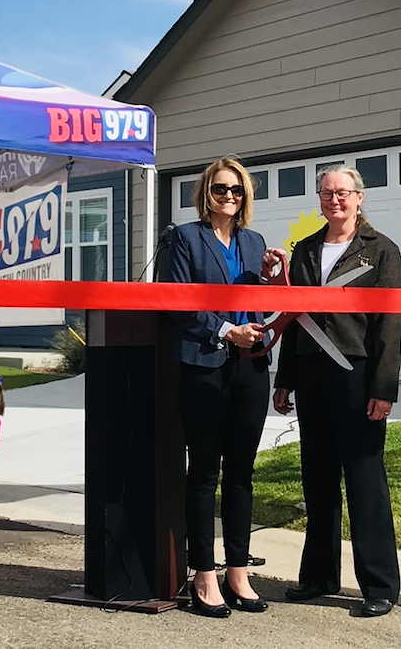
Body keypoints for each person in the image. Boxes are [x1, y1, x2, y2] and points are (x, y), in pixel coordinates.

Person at [273, 164, 401, 618]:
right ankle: (318, 576)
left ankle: (380, 584)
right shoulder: (305, 250)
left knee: (365, 480)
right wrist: (284, 378)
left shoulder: (381, 251)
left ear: (360, 198)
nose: (335, 200)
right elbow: (294, 318)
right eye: (327, 193)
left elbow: (391, 325)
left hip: (358, 375)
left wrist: (385, 388)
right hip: (311, 374)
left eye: (343, 193)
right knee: (318, 477)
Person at [167, 156, 280, 618]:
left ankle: (237, 570)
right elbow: (177, 302)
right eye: (220, 189)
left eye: (237, 190)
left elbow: (261, 302)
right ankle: (203, 574)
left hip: (250, 368)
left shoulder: (254, 242)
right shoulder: (185, 237)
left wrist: (272, 277)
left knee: (241, 471)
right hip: (204, 365)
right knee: (204, 472)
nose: (229, 197)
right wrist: (224, 331)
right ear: (205, 193)